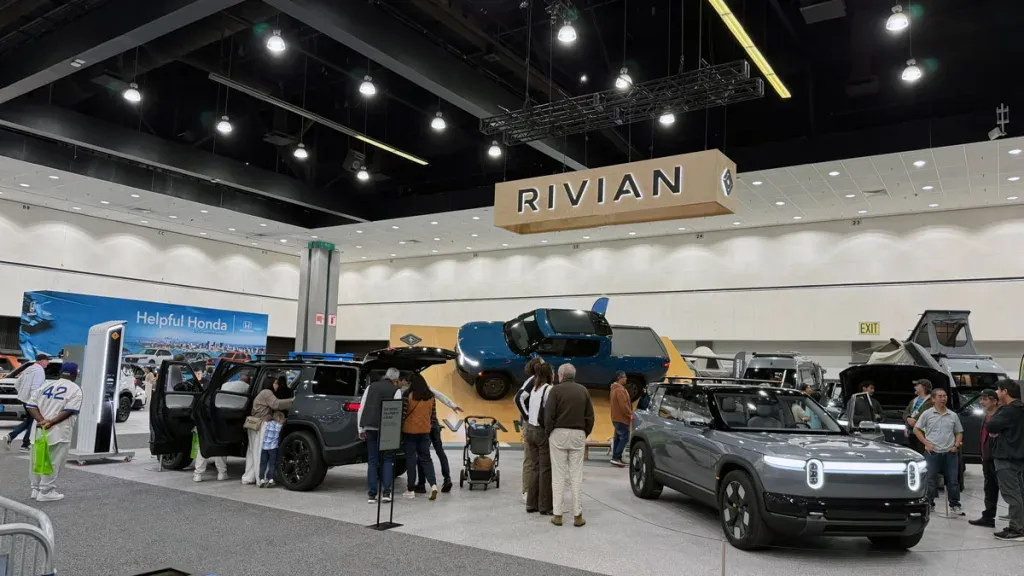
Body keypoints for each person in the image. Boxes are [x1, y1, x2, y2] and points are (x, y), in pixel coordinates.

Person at [544, 363, 594, 528]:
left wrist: (549, 431)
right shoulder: (583, 390)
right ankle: (578, 516)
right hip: (578, 434)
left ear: (561, 376)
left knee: (558, 476)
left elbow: (549, 414)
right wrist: (584, 432)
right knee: (576, 476)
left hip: (558, 433)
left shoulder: (555, 391)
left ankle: (558, 515)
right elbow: (590, 416)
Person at [25, 362, 82, 502]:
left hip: (39, 430)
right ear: (75, 374)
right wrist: (51, 422)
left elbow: (31, 405)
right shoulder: (75, 389)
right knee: (54, 460)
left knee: (37, 459)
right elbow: (69, 411)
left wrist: (41, 420)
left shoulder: (46, 385)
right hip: (59, 431)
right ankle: (46, 491)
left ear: (61, 373)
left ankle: (35, 488)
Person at [913, 388, 965, 516]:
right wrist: (926, 443)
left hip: (950, 453)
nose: (943, 398)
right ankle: (929, 503)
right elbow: (916, 429)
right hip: (933, 453)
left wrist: (956, 446)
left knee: (953, 480)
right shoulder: (927, 414)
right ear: (933, 399)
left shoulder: (952, 415)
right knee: (930, 480)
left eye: (945, 396)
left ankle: (955, 505)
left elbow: (959, 432)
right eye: (940, 396)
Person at [357, 367, 404, 504]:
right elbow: (397, 413)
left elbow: (362, 407)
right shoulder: (396, 390)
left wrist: (360, 429)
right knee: (387, 460)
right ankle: (386, 493)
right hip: (388, 429)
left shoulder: (370, 387)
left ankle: (372, 495)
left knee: (372, 461)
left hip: (370, 427)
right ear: (395, 380)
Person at [411, 374, 463, 495]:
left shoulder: (413, 393)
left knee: (423, 455)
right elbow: (440, 395)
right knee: (440, 452)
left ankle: (421, 484)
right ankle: (447, 479)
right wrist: (452, 405)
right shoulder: (429, 391)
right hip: (435, 425)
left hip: (424, 427)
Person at [986, 380, 1024, 541]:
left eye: (998, 390)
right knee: (1020, 493)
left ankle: (1016, 529)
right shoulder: (1021, 409)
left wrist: (996, 431)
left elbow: (991, 426)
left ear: (1005, 392)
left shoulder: (1008, 410)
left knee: (1011, 494)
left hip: (1006, 457)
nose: (997, 393)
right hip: (1019, 457)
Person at [243, 375, 295, 486]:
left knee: (252, 452)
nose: (277, 385)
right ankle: (260, 479)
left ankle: (249, 477)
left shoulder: (262, 393)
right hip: (261, 425)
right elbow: (276, 404)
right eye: (275, 383)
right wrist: (292, 400)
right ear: (270, 384)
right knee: (259, 453)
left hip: (254, 424)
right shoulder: (267, 392)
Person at [969, 389, 1002, 528]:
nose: (982, 402)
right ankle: (988, 517)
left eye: (985, 399)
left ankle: (1017, 522)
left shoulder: (1001, 417)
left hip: (999, 460)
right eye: (980, 399)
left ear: (995, 401)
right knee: (989, 489)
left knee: (1008, 490)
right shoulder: (986, 416)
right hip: (986, 459)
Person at [401, 375, 438, 501]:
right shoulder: (431, 396)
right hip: (425, 432)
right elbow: (433, 416)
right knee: (426, 459)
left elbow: (403, 413)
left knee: (411, 460)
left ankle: (410, 489)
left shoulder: (408, 395)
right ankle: (433, 485)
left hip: (409, 432)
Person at [515, 357, 545, 503]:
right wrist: (527, 416)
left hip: (538, 425)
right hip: (530, 425)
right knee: (530, 459)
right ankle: (526, 491)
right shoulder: (532, 381)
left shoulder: (541, 382)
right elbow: (518, 398)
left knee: (538, 460)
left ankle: (536, 490)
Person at [4, 353, 50, 452]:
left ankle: (11, 436)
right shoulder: (39, 370)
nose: (48, 363)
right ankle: (25, 444)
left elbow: (17, 383)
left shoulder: (29, 368)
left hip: (25, 400)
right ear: (42, 360)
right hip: (32, 401)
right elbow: (35, 387)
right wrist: (36, 401)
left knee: (30, 421)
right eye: (47, 361)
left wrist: (23, 394)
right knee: (34, 421)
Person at [525, 363, 554, 515]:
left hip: (529, 430)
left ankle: (531, 503)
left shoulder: (534, 389)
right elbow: (551, 411)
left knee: (535, 467)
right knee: (545, 469)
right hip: (540, 432)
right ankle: (545, 506)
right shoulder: (549, 389)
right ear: (549, 374)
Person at [903, 379, 933, 452]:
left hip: (923, 434)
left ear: (923, 387)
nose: (915, 387)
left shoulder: (931, 401)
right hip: (912, 433)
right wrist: (908, 419)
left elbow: (921, 415)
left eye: (917, 385)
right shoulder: (914, 400)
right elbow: (905, 412)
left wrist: (909, 423)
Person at [609, 371, 631, 468]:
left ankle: (615, 457)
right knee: (625, 437)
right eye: (624, 377)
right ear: (619, 378)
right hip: (621, 418)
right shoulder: (620, 390)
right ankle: (616, 457)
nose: (626, 379)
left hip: (615, 417)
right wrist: (630, 414)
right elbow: (624, 405)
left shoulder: (614, 389)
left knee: (618, 438)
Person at [259, 411, 286, 488]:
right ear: (279, 419)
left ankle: (261, 480)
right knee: (272, 464)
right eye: (282, 419)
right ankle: (271, 479)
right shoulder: (279, 426)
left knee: (263, 464)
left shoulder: (268, 424)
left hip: (264, 448)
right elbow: (283, 424)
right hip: (273, 448)